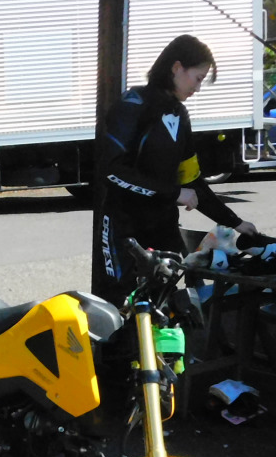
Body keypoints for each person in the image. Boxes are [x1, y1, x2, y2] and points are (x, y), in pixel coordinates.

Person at [92, 34, 257, 306]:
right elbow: (111, 170)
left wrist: (234, 222)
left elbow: (192, 181)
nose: (198, 88)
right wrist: (173, 193)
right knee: (121, 306)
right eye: (198, 78)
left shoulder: (180, 114)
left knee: (162, 306)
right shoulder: (132, 105)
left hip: (162, 227)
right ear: (177, 68)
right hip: (123, 227)